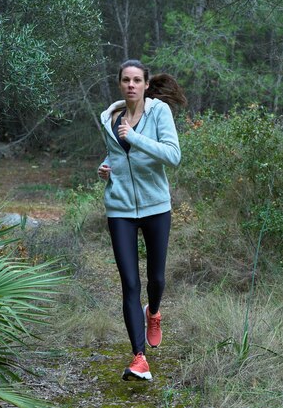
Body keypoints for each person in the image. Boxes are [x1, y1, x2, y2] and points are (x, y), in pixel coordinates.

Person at [97, 59, 186, 381]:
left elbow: (172, 156)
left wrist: (135, 137)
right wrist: (105, 167)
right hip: (119, 208)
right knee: (130, 284)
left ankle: (155, 312)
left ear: (146, 85)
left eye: (137, 80)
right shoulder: (109, 118)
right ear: (119, 84)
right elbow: (115, 154)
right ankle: (139, 358)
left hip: (155, 207)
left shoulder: (159, 112)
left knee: (156, 280)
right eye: (125, 80)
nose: (131, 85)